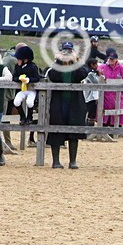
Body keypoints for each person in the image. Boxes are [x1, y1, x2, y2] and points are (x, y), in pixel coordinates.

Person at [45, 41, 90, 169]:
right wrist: (59, 61)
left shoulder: (78, 65)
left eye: (69, 51)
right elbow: (53, 76)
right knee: (56, 130)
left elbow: (82, 74)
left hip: (74, 103)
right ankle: (56, 161)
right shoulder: (56, 65)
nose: (67, 53)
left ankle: (73, 161)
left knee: (74, 130)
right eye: (64, 51)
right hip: (59, 102)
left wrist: (75, 61)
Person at [10, 44, 42, 133]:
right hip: (23, 90)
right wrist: (19, 79)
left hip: (32, 90)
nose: (17, 60)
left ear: (25, 60)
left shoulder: (33, 67)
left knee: (29, 102)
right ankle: (22, 116)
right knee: (16, 101)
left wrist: (28, 80)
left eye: (19, 59)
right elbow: (14, 77)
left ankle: (30, 117)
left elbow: (37, 78)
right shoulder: (17, 66)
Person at [99, 48, 123, 129]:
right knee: (103, 110)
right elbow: (97, 70)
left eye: (112, 59)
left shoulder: (122, 68)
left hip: (117, 96)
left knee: (118, 110)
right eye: (110, 59)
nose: (111, 60)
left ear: (116, 59)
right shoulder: (103, 67)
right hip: (105, 95)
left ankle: (119, 127)